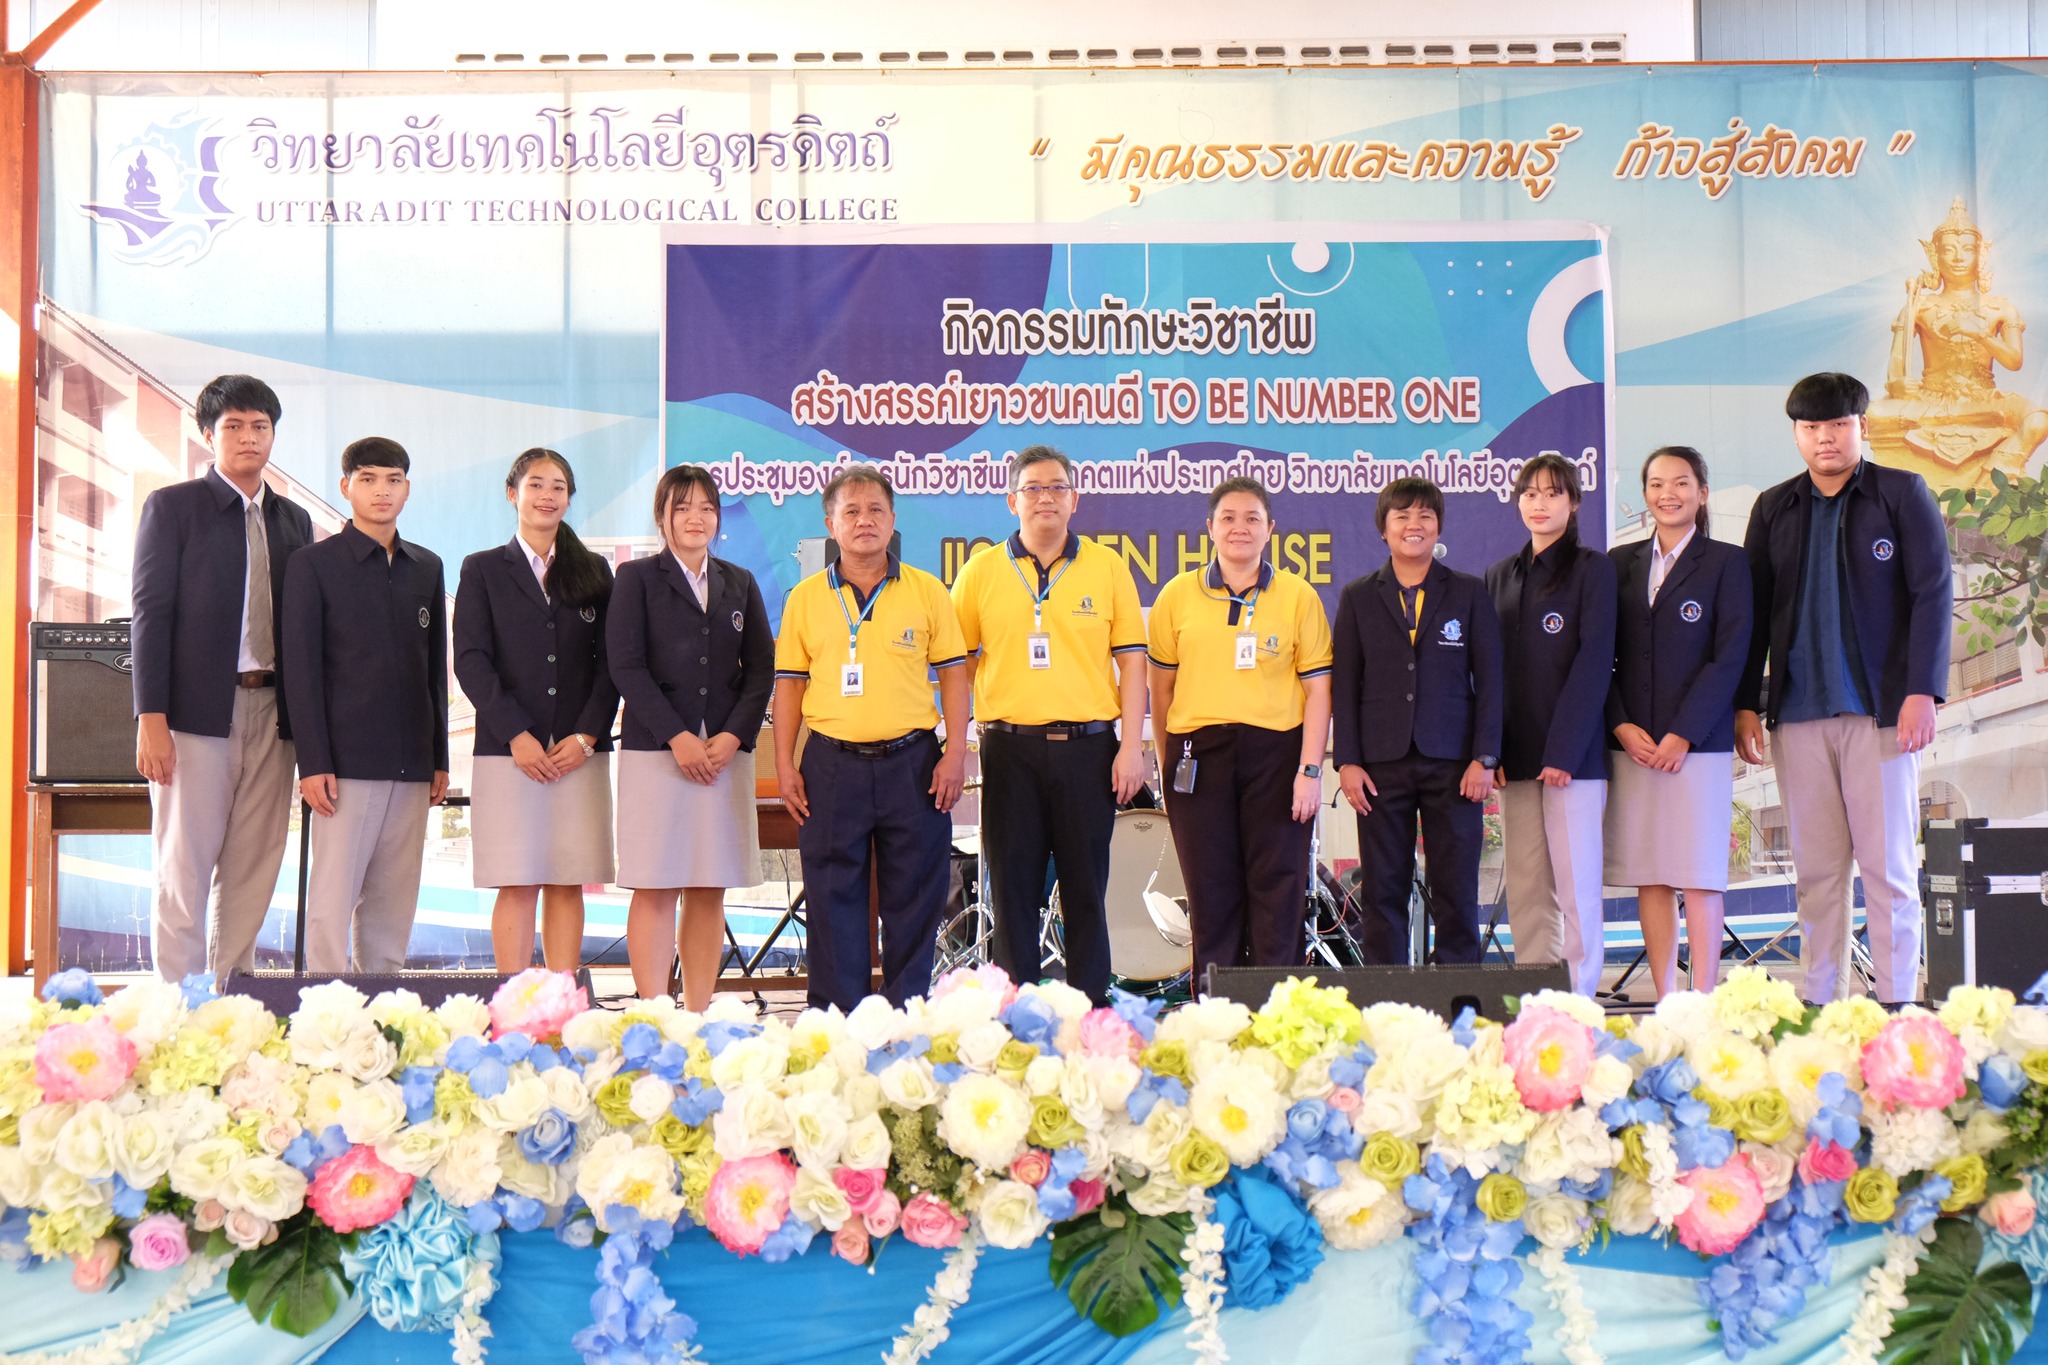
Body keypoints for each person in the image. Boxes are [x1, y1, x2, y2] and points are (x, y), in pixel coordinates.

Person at [1735, 373, 1952, 1005]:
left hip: (1881, 713)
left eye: (1837, 426)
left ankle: (1895, 1003)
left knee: (1888, 871)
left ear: (1862, 427)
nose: (1824, 439)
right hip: (1797, 715)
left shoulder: (1901, 493)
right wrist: (1746, 704)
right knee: (1818, 874)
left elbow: (1932, 594)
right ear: (1797, 435)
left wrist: (1922, 691)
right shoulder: (1774, 507)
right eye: (1811, 428)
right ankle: (1820, 1004)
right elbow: (1752, 612)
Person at [950, 444, 1148, 1004]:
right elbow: (956, 665)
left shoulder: (1107, 566)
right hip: (1009, 751)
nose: (1045, 498)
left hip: (1089, 751)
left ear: (1075, 500)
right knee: (1012, 894)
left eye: (1057, 487)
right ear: (1012, 500)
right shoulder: (980, 572)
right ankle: (1018, 1023)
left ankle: (1091, 1014)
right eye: (1033, 488)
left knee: (1087, 891)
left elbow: (1132, 661)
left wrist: (1131, 746)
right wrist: (956, 742)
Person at [131, 374, 313, 983]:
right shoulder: (173, 507)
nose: (248, 437)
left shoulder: (295, 521)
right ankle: (177, 1007)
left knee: (254, 865)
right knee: (185, 864)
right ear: (208, 434)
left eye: (260, 426)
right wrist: (150, 718)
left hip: (274, 714)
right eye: (233, 426)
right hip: (194, 715)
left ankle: (231, 1000)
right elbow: (150, 616)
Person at [773, 466, 969, 1012]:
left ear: (893, 521)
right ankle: (840, 1022)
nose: (865, 520)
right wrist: (786, 765)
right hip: (832, 766)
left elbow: (954, 673)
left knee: (916, 897)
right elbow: (788, 685)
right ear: (831, 524)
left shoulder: (927, 592)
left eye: (876, 510)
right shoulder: (806, 598)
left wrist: (956, 752)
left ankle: (905, 1014)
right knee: (834, 898)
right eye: (852, 511)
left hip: (914, 764)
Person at [1147, 476, 1332, 986]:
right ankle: (1218, 1020)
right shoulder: (1176, 596)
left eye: (1252, 518)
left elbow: (1319, 691)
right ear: (1209, 528)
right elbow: (1160, 690)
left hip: (1277, 758)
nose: (1239, 528)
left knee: (1279, 889)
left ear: (1271, 529)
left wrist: (1310, 770)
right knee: (1210, 894)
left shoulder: (1298, 597)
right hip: (1198, 758)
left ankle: (1279, 1021)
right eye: (1228, 518)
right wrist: (1168, 765)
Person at [282, 437, 449, 976]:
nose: (382, 491)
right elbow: (300, 671)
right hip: (343, 766)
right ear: (345, 486)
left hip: (413, 763)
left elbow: (433, 668)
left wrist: (439, 757)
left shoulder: (427, 566)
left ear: (407, 488)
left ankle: (384, 1006)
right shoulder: (312, 564)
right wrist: (313, 762)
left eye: (394, 479)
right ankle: (323, 1009)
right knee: (331, 901)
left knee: (393, 903)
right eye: (369, 478)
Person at [609, 465, 774, 1006]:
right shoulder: (635, 579)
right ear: (663, 517)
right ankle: (655, 1013)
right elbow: (625, 665)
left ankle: (698, 1012)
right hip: (658, 752)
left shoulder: (739, 581)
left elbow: (760, 671)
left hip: (723, 757)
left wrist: (732, 737)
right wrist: (677, 736)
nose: (695, 517)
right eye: (683, 507)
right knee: (656, 884)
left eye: (706, 507)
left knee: (708, 885)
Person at [454, 449, 620, 975]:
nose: (548, 496)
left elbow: (611, 664)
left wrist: (587, 736)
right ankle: (513, 1003)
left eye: (559, 487)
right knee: (517, 879)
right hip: (508, 754)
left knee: (567, 880)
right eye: (536, 485)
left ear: (569, 500)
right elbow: (471, 660)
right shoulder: (481, 569)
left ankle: (561, 1001)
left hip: (579, 753)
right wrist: (517, 736)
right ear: (513, 494)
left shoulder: (593, 570)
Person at [1332, 478, 1501, 966]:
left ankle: (1460, 1006)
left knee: (1456, 891)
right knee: (1383, 891)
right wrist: (1348, 762)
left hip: (1454, 766)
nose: (1414, 525)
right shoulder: (1359, 596)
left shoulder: (1468, 592)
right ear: (1383, 530)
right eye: (1402, 516)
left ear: (1439, 527)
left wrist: (1485, 756)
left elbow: (1491, 681)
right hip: (1380, 768)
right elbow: (1346, 684)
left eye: (1425, 516)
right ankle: (1388, 1005)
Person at [1605, 447, 1753, 999]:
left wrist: (1684, 733)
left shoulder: (1727, 563)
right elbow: (1602, 655)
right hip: (1634, 744)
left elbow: (1729, 656)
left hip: (1700, 744)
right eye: (1657, 484)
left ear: (1703, 493)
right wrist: (1620, 725)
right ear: (1644, 494)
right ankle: (1667, 997)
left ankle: (1706, 998)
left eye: (1682, 483)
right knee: (1654, 872)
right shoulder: (1618, 564)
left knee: (1698, 871)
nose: (1669, 493)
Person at [1486, 453, 1617, 996]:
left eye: (1552, 493)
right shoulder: (1499, 575)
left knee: (1575, 885)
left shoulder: (1593, 569)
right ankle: (1537, 998)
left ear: (1574, 502)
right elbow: (1487, 673)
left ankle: (1579, 999)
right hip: (1514, 759)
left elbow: (1594, 662)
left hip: (1574, 760)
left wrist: (1563, 751)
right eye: (1530, 493)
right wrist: (1489, 751)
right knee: (1527, 886)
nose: (1539, 504)